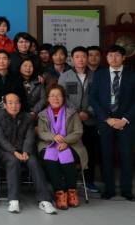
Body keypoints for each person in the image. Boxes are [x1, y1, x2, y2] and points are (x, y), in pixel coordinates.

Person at [0, 93, 56, 214]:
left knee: (34, 162)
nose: (14, 106)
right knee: (13, 161)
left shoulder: (27, 117)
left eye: (16, 103)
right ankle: (13, 200)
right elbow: (0, 139)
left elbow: (30, 137)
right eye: (10, 103)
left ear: (20, 104)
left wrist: (26, 151)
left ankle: (44, 200)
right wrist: (13, 151)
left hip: (24, 150)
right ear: (5, 105)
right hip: (5, 151)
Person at [89, 44, 135, 200]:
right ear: (106, 58)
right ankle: (109, 189)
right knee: (106, 156)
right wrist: (106, 118)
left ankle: (126, 190)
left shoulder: (132, 75)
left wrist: (125, 120)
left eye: (117, 55)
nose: (113, 58)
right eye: (110, 55)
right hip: (105, 122)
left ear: (123, 58)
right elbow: (93, 98)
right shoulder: (99, 74)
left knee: (126, 156)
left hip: (126, 123)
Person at [37, 84, 88, 209]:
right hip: (49, 144)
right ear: (48, 99)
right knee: (50, 159)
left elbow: (78, 131)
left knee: (67, 155)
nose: (56, 98)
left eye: (59, 95)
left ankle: (71, 191)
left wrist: (65, 141)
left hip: (71, 144)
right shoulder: (42, 115)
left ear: (63, 98)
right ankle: (60, 193)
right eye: (52, 96)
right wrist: (53, 137)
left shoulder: (72, 113)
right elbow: (41, 133)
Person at [58, 46, 99, 192]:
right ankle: (69, 180)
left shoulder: (96, 76)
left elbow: (99, 97)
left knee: (90, 151)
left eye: (83, 56)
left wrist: (88, 112)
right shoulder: (65, 76)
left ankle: (89, 181)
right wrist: (76, 114)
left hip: (90, 119)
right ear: (72, 59)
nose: (80, 59)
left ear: (87, 58)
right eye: (77, 57)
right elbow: (62, 97)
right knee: (69, 149)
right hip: (71, 121)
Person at [0, 50, 27, 116]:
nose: (1, 61)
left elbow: (23, 98)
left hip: (15, 114)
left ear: (9, 62)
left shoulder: (17, 78)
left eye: (4, 59)